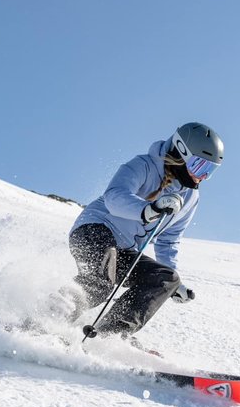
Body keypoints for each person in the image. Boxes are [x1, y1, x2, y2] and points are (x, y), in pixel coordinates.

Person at [64, 122, 224, 338]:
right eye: (200, 166)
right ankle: (44, 318)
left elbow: (169, 240)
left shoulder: (190, 197)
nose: (203, 176)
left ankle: (108, 336)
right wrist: (148, 209)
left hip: (124, 250)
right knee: (101, 282)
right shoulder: (144, 165)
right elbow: (114, 197)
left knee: (166, 278)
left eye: (210, 171)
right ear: (181, 151)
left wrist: (175, 287)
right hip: (94, 230)